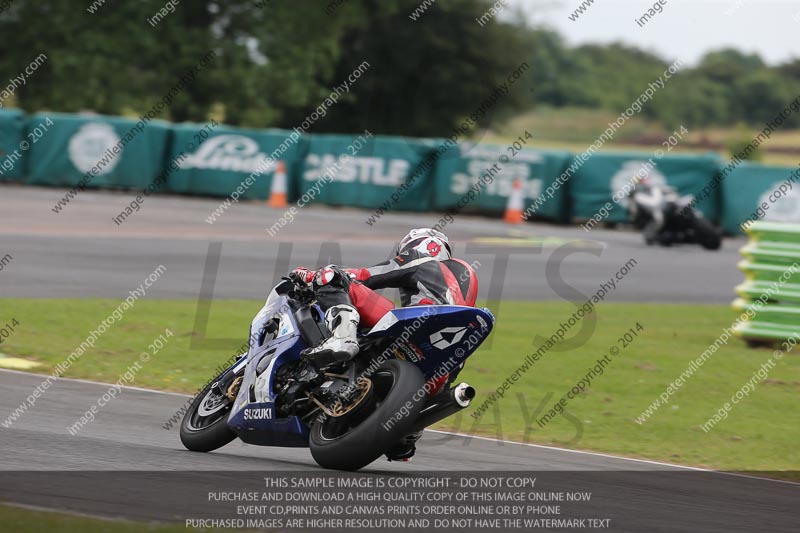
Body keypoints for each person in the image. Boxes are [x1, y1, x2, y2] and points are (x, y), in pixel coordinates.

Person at [289, 228, 478, 461]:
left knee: (333, 276)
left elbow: (366, 275)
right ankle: (409, 432)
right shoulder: (462, 300)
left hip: (412, 328)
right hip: (437, 373)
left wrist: (310, 276)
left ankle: (343, 338)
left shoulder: (421, 259)